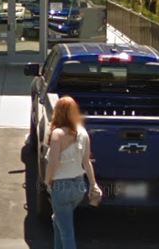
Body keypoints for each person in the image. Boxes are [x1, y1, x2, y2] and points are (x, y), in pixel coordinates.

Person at [44, 96, 101, 249]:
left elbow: (53, 163)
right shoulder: (83, 132)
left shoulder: (57, 134)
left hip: (60, 187)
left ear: (58, 112)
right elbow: (86, 161)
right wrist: (93, 184)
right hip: (79, 186)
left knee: (67, 232)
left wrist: (47, 181)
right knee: (58, 221)